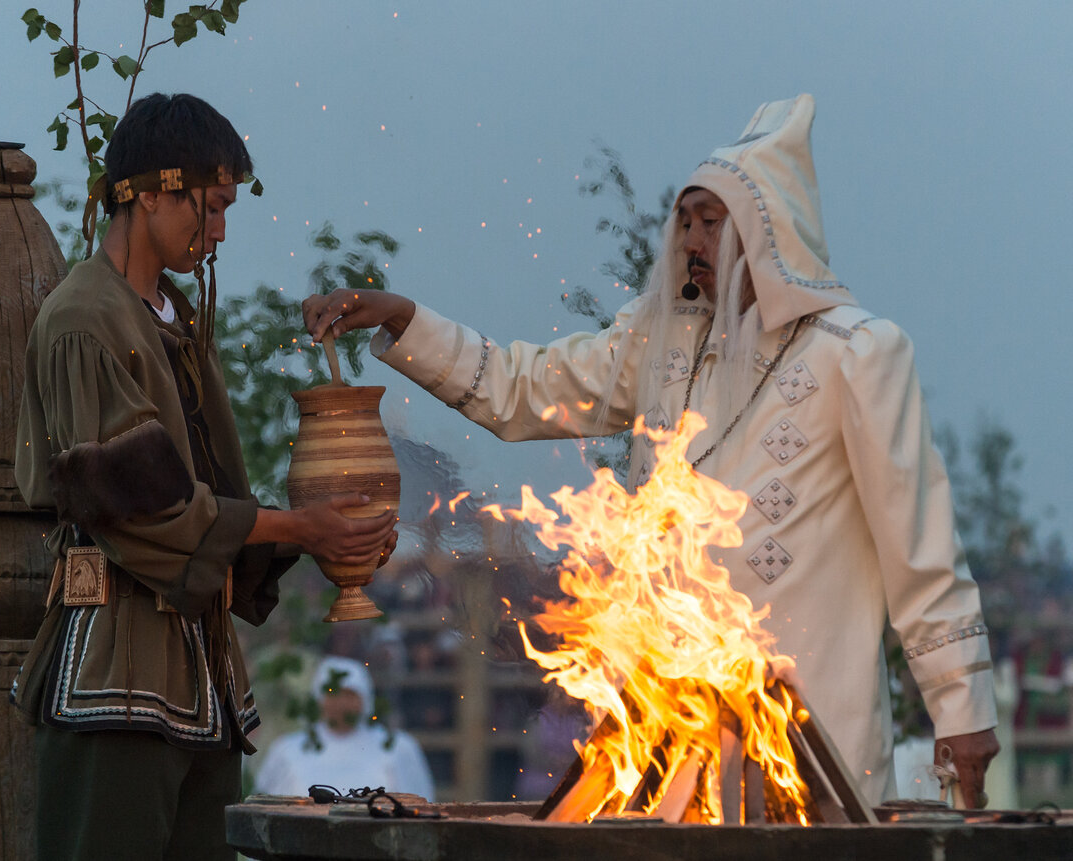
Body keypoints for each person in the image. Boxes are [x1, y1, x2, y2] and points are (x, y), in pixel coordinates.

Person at [304, 94, 999, 807]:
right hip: (669, 736)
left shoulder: (857, 353)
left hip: (811, 735)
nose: (690, 239)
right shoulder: (660, 341)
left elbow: (921, 547)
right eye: (684, 220)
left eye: (710, 220)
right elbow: (523, 387)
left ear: (767, 229)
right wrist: (407, 321)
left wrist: (962, 707)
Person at [11, 93, 398, 860]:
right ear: (150, 191)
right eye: (211, 205)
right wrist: (299, 525)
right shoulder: (86, 317)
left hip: (199, 672)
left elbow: (210, 492)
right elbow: (140, 504)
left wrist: (329, 532)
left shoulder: (173, 315)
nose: (220, 229)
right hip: (112, 673)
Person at [255, 656, 436, 801]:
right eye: (333, 693)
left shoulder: (398, 748)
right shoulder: (287, 749)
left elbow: (419, 806)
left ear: (365, 698)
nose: (341, 703)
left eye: (350, 694)